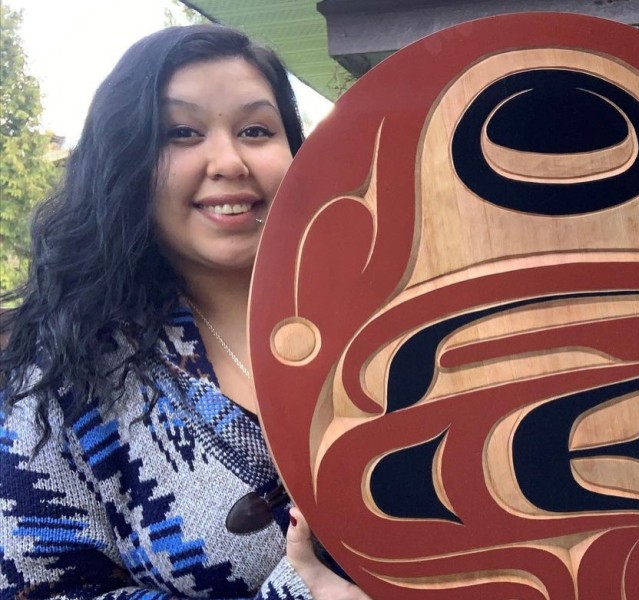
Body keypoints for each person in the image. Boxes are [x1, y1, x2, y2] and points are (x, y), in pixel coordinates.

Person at [0, 24, 369, 600]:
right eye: (181, 132)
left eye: (255, 130)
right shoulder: (66, 380)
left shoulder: (387, 309)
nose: (228, 161)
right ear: (125, 164)